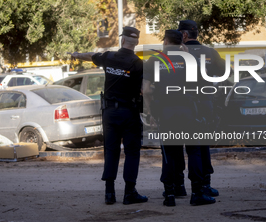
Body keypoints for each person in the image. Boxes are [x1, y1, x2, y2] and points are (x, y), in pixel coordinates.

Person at [71, 27, 148, 205]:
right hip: (130, 112)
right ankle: (130, 193)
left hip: (110, 114)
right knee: (132, 152)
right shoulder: (138, 64)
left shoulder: (109, 57)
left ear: (122, 40)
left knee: (111, 151)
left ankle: (109, 194)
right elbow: (144, 90)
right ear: (136, 43)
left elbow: (91, 56)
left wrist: (76, 54)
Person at [143, 30, 216, 206]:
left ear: (165, 42)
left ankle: (170, 194)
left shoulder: (154, 60)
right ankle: (197, 193)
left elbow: (146, 89)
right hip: (188, 111)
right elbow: (204, 84)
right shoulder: (189, 60)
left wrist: (150, 112)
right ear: (181, 43)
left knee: (170, 153)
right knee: (194, 151)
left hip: (166, 112)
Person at [178, 20, 225, 197]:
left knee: (176, 145)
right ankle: (204, 184)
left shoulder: (174, 55)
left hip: (180, 104)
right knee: (201, 146)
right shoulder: (209, 52)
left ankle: (178, 185)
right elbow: (223, 73)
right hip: (204, 103)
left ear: (183, 35)